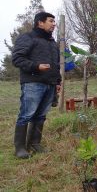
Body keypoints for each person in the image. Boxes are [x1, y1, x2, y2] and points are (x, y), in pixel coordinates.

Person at [12, 12, 61, 158]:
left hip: (50, 84)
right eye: (51, 21)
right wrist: (36, 66)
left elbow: (56, 64)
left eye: (54, 21)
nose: (54, 24)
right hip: (33, 82)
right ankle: (20, 148)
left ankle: (35, 144)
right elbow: (17, 59)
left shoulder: (52, 43)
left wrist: (57, 81)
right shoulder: (27, 38)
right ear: (40, 22)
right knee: (26, 115)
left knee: (41, 116)